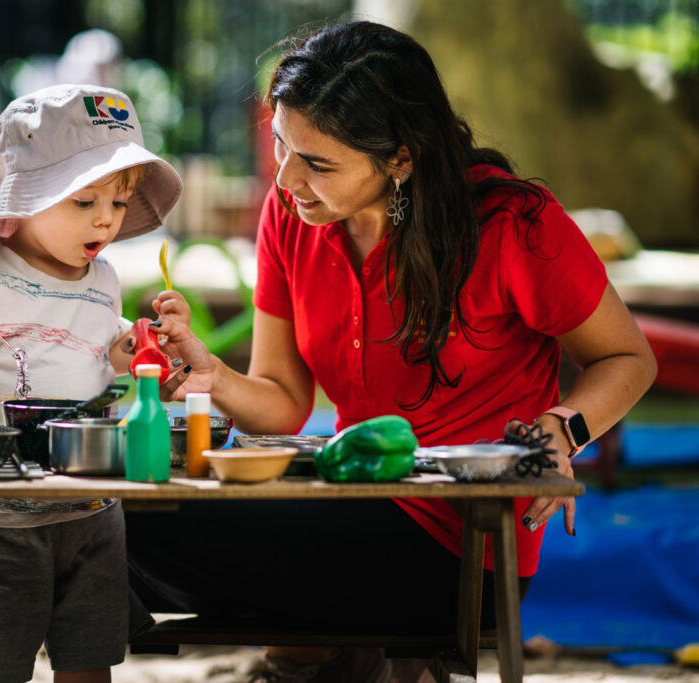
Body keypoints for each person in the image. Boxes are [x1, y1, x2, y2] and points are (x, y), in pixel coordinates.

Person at [125, 21, 657, 683]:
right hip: (348, 502)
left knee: (139, 537)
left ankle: (326, 659)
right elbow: (285, 404)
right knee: (122, 521)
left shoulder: (514, 225)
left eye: (318, 163)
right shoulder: (291, 217)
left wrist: (563, 428)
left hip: (463, 542)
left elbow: (628, 358)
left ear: (401, 157)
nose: (288, 179)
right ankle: (332, 658)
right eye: (281, 145)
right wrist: (215, 376)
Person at [0, 84, 185, 683]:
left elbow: (101, 364)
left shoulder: (104, 278)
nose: (106, 219)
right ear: (21, 198)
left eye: (118, 200)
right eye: (83, 200)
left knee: (89, 664)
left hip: (91, 510)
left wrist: (134, 350)